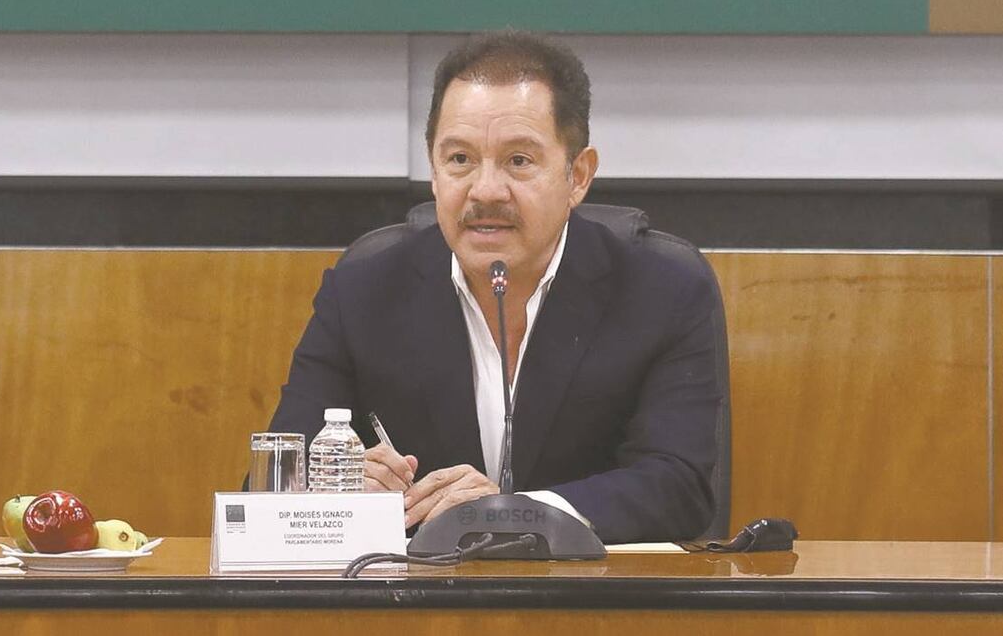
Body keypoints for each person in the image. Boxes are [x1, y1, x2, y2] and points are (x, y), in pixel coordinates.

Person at [268, 31, 724, 543]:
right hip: (414, 609)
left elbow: (678, 486)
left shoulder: (663, 293)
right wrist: (339, 494)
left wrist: (512, 511)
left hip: (592, 607)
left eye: (519, 161)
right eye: (459, 159)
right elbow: (275, 483)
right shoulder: (362, 293)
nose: (485, 191)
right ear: (435, 172)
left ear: (578, 175)